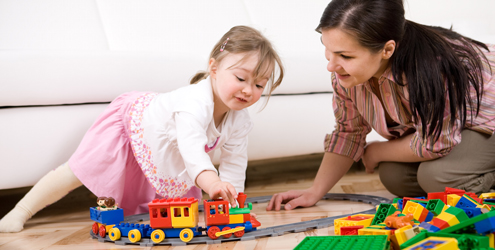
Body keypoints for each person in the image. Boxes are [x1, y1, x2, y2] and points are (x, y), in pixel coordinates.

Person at [0, 25, 284, 232]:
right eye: (241, 78)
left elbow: (235, 163)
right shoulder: (193, 102)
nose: (249, 90)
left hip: (165, 152)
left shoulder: (240, 121)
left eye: (259, 85)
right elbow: (192, 150)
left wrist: (230, 201)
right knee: (77, 170)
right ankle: (20, 211)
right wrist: (212, 184)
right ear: (213, 68)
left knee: (172, 204)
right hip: (132, 125)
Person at [267, 0, 495, 211]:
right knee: (395, 177)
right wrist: (315, 191)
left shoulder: (430, 69)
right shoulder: (346, 76)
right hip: (462, 122)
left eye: (345, 55)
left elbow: (435, 144)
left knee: (439, 177)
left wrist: (379, 150)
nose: (331, 65)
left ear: (386, 50)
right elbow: (348, 133)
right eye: (328, 50)